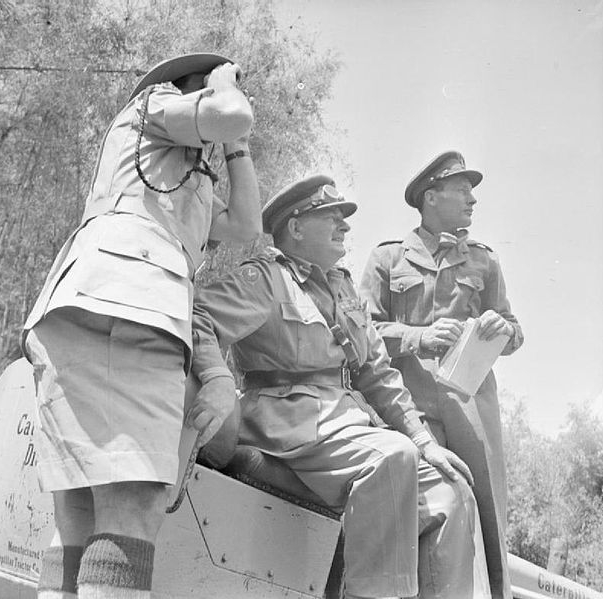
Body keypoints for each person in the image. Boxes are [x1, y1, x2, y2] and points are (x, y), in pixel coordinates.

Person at [23, 52, 261, 599]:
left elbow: (247, 224)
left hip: (92, 308)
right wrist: (225, 87)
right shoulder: (151, 105)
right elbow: (231, 115)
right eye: (203, 87)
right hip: (129, 309)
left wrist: (237, 148)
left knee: (79, 512)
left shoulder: (186, 176)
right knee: (135, 501)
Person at [191, 174, 493, 599]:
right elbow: (198, 317)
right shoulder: (265, 279)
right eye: (331, 217)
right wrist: (217, 378)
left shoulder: (343, 287)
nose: (346, 227)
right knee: (389, 457)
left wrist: (426, 441)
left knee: (452, 490)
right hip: (288, 424)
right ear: (295, 228)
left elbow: (378, 373)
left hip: (344, 426)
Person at [359, 151, 524, 599]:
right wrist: (417, 337)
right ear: (431, 197)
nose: (473, 199)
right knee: (418, 507)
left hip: (470, 410)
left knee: (485, 520)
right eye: (463, 189)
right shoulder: (388, 258)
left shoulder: (484, 262)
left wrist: (501, 328)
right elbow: (360, 331)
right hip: (406, 406)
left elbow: (515, 332)